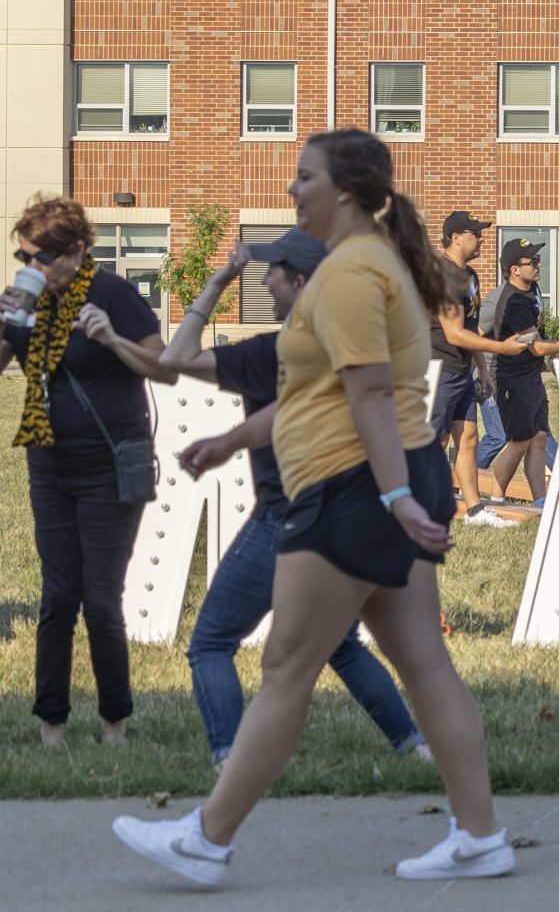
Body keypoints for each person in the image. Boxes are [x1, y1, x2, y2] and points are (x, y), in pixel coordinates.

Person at [112, 129, 513, 885]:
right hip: (378, 478)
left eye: (304, 178)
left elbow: (366, 395)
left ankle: (207, 838)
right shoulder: (357, 269)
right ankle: (480, 834)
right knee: (423, 660)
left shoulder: (351, 274)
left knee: (288, 662)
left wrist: (394, 497)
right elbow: (316, 391)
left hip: (353, 485)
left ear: (349, 192)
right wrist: (236, 437)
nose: (293, 190)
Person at [86, 232, 428, 768]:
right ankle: (413, 747)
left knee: (211, 644)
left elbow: (175, 360)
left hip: (286, 519)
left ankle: (230, 757)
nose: (261, 279)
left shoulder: (272, 352)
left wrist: (217, 282)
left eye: (271, 272)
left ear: (298, 283)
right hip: (350, 515)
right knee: (340, 644)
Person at [0, 194, 164, 747]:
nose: (32, 267)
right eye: (24, 255)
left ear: (74, 250)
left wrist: (111, 338)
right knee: (57, 597)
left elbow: (162, 369)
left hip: (109, 465)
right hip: (48, 462)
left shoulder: (111, 293)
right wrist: (6, 316)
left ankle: (114, 723)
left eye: (41, 257)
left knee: (99, 599)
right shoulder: (25, 297)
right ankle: (51, 725)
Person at [429, 212, 526, 527]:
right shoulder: (441, 274)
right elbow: (454, 332)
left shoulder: (470, 276)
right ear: (456, 237)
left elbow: (470, 328)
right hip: (435, 367)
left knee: (468, 437)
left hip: (460, 369)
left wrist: (482, 369)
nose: (482, 238)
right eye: (476, 233)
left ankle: (474, 510)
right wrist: (502, 348)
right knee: (434, 441)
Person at [481, 238, 559, 510]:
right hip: (511, 380)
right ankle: (496, 500)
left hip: (530, 378)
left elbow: (539, 335)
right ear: (515, 269)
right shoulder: (513, 301)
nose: (539, 266)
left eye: (539, 260)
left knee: (538, 438)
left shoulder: (532, 290)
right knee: (518, 442)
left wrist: (553, 357)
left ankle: (541, 500)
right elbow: (535, 346)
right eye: (532, 262)